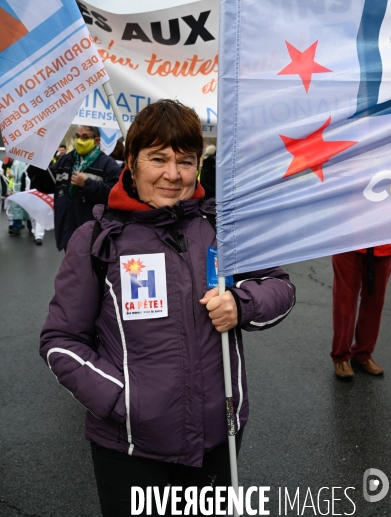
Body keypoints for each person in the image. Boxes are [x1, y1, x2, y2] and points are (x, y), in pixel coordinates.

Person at [39, 100, 296, 516]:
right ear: (132, 162)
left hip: (219, 437)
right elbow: (60, 341)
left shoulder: (221, 230)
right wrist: (123, 402)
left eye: (185, 160)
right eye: (157, 158)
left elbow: (280, 287)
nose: (172, 174)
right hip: (130, 449)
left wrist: (241, 304)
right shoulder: (96, 239)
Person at [28, 125, 121, 251]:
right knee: (72, 268)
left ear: (96, 141)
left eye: (85, 137)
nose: (79, 140)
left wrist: (88, 184)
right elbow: (47, 185)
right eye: (77, 136)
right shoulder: (67, 160)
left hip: (94, 232)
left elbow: (116, 195)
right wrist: (37, 163)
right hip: (68, 228)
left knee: (89, 269)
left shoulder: (107, 164)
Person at [331, 245, 391, 378]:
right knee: (344, 302)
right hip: (349, 244)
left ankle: (363, 354)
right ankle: (341, 357)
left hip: (383, 246)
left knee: (375, 303)